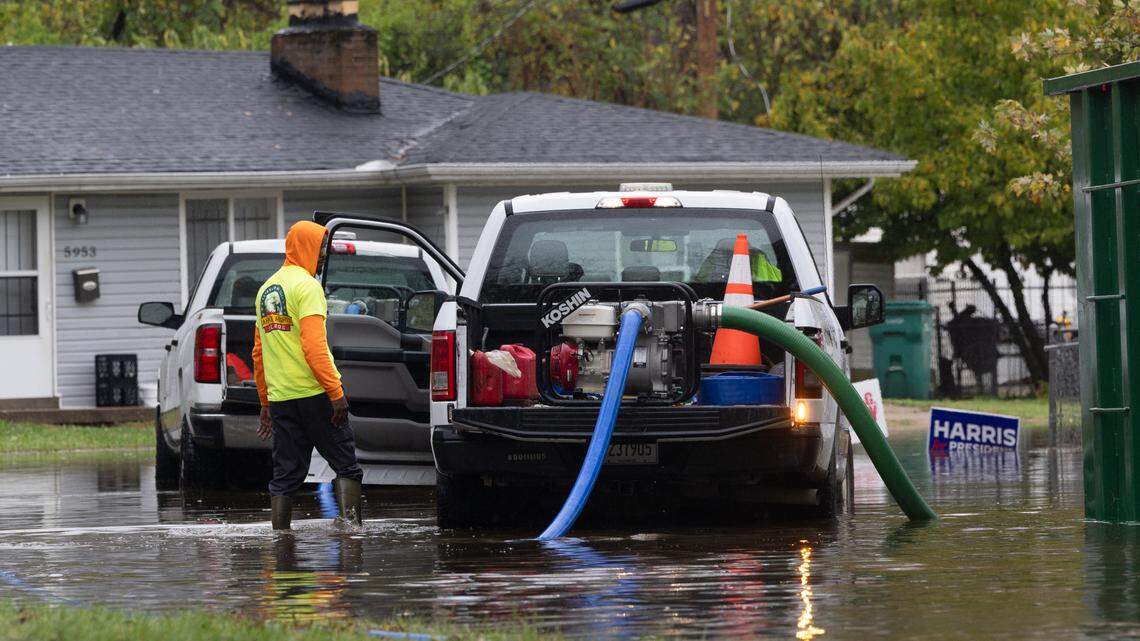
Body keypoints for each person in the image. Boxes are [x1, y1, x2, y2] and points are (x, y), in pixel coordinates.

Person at [252, 220, 364, 530]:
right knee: (347, 467)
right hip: (315, 395)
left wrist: (265, 402)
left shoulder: (265, 291)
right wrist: (336, 393)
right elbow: (314, 347)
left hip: (281, 400)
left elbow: (259, 353)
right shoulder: (307, 287)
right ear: (306, 247)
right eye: (321, 249)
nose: (324, 256)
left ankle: (280, 544)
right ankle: (352, 536)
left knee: (286, 475)